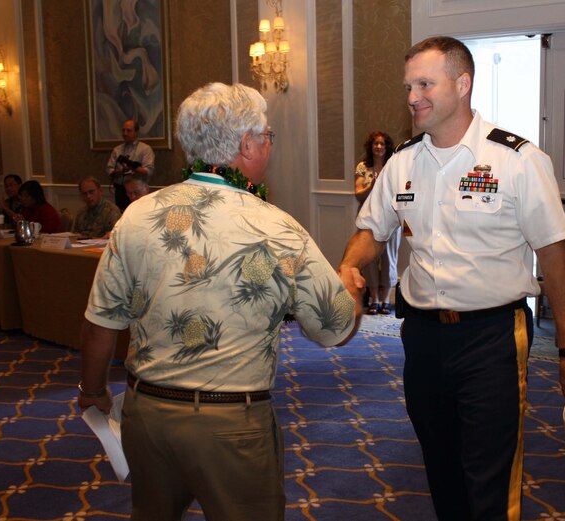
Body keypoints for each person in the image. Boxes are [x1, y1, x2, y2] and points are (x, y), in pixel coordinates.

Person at [77, 82, 362, 521]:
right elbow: (336, 329)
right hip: (231, 426)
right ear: (246, 145)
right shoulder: (277, 227)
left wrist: (93, 391)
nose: (269, 144)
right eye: (267, 135)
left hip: (146, 414)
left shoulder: (137, 215)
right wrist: (350, 282)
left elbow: (101, 323)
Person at [336, 36, 565, 521]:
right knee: (440, 465)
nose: (413, 97)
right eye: (409, 85)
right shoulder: (404, 161)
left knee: (489, 476)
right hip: (423, 338)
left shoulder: (517, 160)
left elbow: (556, 265)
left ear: (462, 83)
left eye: (425, 84)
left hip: (491, 338)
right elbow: (371, 229)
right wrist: (350, 264)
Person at [354, 131, 400, 315]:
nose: (379, 147)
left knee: (389, 258)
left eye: (382, 144)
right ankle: (374, 298)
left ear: (387, 146)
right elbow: (358, 194)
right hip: (368, 217)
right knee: (369, 259)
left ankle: (386, 299)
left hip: (390, 215)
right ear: (370, 146)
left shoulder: (394, 165)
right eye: (375, 144)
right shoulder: (363, 167)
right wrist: (371, 185)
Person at [105, 119, 155, 212]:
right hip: (120, 190)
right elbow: (109, 171)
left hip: (138, 191)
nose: (125, 133)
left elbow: (148, 172)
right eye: (123, 130)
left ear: (136, 132)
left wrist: (132, 167)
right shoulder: (117, 150)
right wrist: (121, 171)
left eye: (128, 130)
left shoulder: (145, 149)